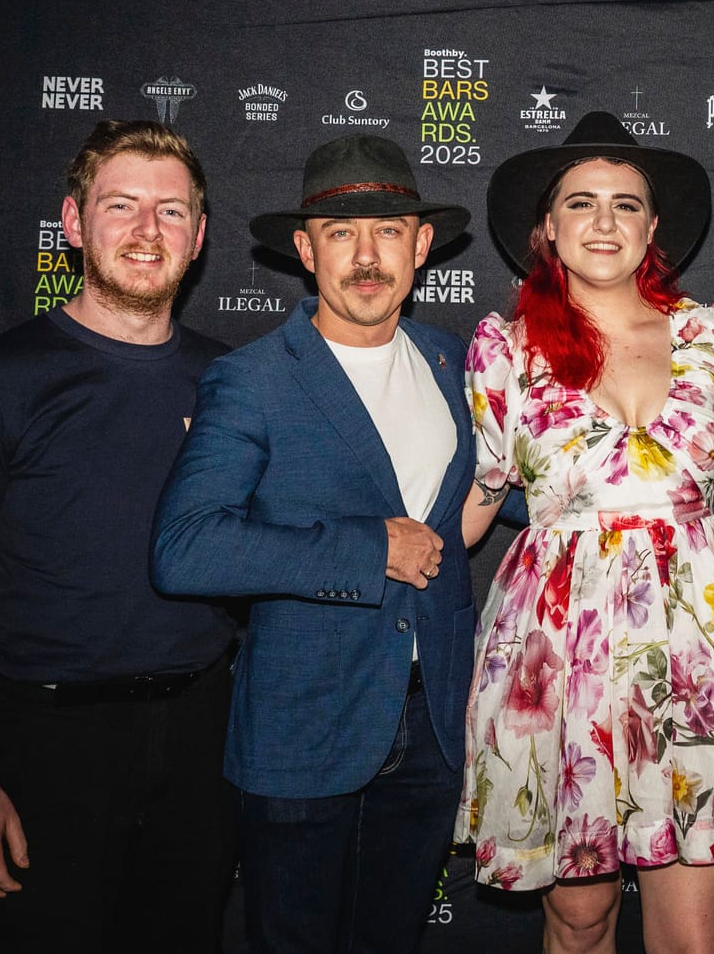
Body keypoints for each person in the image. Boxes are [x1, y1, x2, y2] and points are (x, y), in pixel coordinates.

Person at [0, 120, 234, 953]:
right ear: (73, 222)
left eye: (170, 211)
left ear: (198, 235)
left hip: (198, 739)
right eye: (121, 205)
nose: (147, 229)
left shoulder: (233, 382)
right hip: (41, 745)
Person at [151, 134, 481, 954]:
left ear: (421, 244)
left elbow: (466, 512)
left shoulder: (452, 362)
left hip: (433, 727)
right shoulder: (254, 378)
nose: (367, 256)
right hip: (302, 728)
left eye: (388, 231)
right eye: (341, 233)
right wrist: (367, 550)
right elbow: (185, 548)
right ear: (306, 250)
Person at [457, 111, 714, 953]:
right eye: (581, 202)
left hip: (698, 654)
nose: (604, 222)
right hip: (559, 655)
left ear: (652, 226)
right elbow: (476, 502)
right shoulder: (506, 351)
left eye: (626, 204)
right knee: (580, 916)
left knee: (691, 938)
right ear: (547, 226)